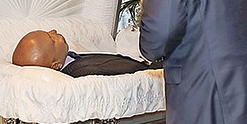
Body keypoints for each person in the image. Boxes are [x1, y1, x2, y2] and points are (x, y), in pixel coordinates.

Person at [11, 29, 159, 77]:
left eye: (48, 32)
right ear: (56, 65)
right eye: (52, 39)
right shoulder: (85, 71)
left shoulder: (72, 60)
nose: (54, 31)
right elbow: (138, 70)